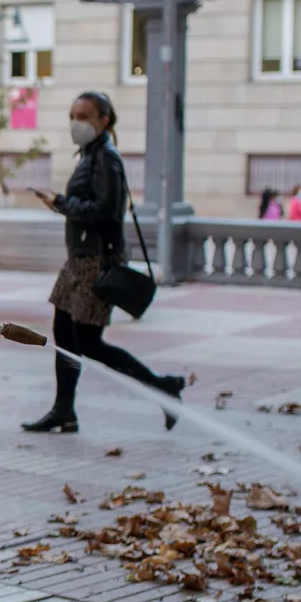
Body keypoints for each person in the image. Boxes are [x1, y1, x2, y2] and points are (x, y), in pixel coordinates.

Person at [23, 91, 185, 434]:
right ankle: (63, 410)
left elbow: (105, 212)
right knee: (64, 336)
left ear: (104, 121)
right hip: (78, 262)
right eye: (72, 116)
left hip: (95, 264)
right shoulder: (90, 156)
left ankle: (162, 388)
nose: (75, 123)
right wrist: (62, 203)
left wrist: (61, 202)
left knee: (89, 344)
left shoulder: (106, 160)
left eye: (83, 116)